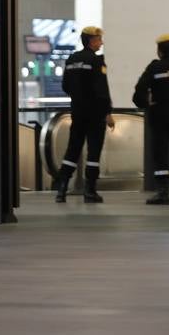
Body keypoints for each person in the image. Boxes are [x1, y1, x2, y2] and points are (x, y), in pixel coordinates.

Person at [53, 25, 114, 204]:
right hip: (95, 113)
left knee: (73, 148)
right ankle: (90, 191)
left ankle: (61, 189)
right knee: (93, 152)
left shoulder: (72, 59)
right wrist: (108, 113)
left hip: (77, 112)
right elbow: (102, 89)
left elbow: (65, 86)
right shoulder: (96, 61)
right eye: (99, 39)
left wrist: (78, 96)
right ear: (92, 40)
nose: (101, 43)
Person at [133, 34, 169, 205]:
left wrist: (146, 103)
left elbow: (139, 91)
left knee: (160, 154)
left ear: (159, 51)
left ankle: (162, 192)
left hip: (158, 116)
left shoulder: (154, 68)